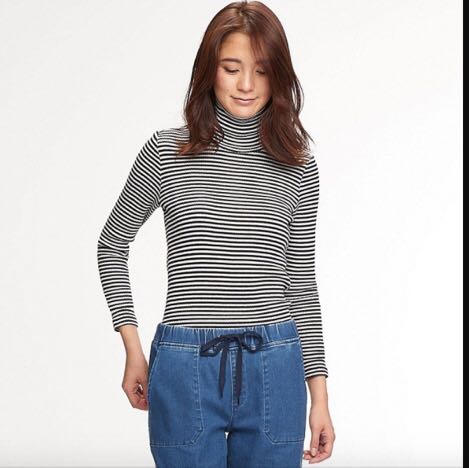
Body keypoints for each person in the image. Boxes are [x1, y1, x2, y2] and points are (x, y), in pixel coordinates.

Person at [97, 1, 335, 466]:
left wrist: (320, 395)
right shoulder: (166, 152)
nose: (247, 85)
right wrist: (132, 347)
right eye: (231, 68)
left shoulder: (298, 165)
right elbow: (112, 244)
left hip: (276, 362)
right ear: (209, 70)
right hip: (184, 363)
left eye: (262, 71)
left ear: (279, 76)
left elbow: (301, 283)